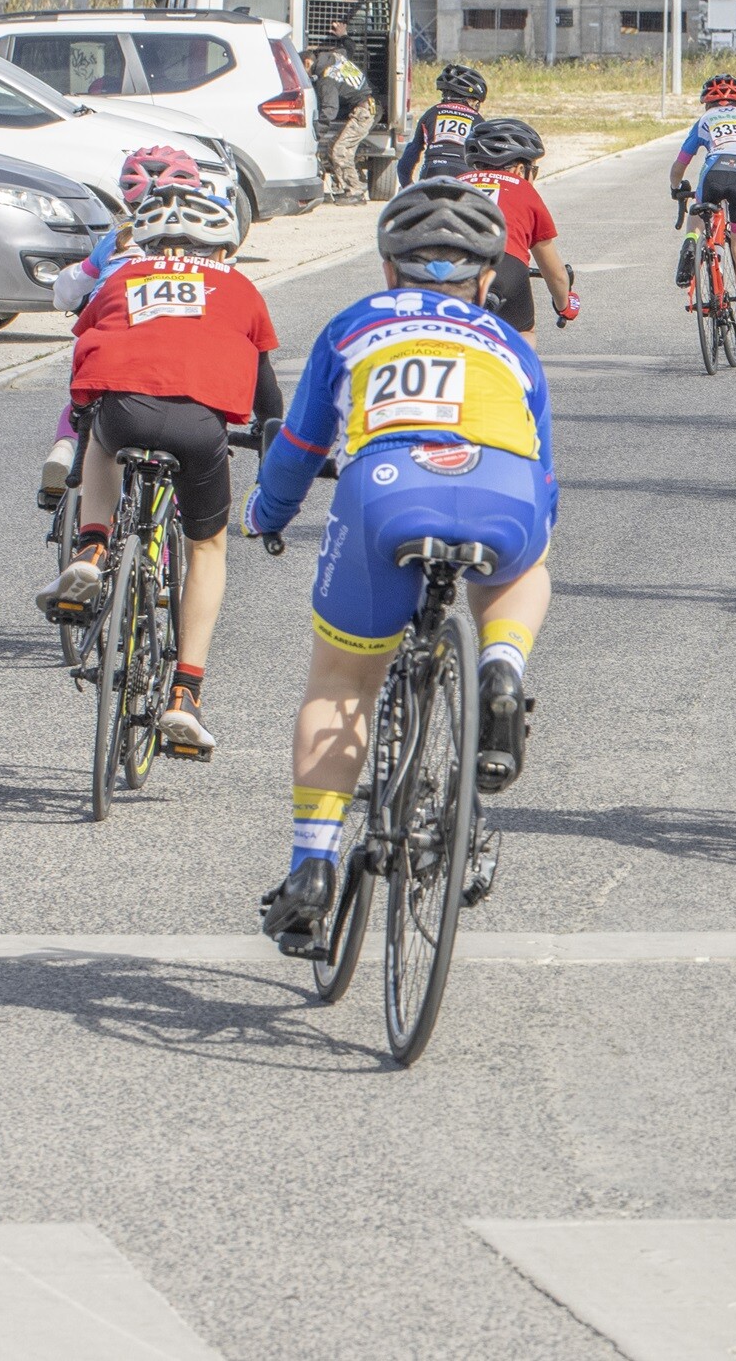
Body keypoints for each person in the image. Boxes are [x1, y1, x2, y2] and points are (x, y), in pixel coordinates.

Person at [247, 179, 556, 953]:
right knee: (526, 561)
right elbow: (545, 476)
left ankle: (312, 865)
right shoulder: (512, 345)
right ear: (488, 281)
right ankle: (503, 665)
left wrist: (264, 516)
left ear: (390, 270)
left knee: (342, 681)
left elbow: (299, 448)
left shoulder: (353, 325)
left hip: (386, 488)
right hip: (500, 486)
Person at [36, 185, 279, 758]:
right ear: (221, 249)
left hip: (125, 412)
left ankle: (92, 550)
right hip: (200, 427)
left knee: (98, 434)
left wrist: (84, 409)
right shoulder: (239, 287)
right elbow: (269, 399)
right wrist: (273, 450)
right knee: (207, 549)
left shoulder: (122, 277)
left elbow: (87, 351)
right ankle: (186, 694)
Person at [37, 147, 201, 504]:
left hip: (106, 335)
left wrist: (70, 298)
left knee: (85, 404)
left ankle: (65, 449)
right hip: (178, 347)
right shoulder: (204, 244)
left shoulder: (118, 238)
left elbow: (68, 289)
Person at [670, 74, 736, 344]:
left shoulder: (704, 121)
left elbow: (681, 162)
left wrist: (675, 187)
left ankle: (691, 243)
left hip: (713, 170)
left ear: (707, 104)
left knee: (698, 212)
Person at [459, 119, 578, 337]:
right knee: (524, 333)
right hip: (503, 267)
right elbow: (556, 273)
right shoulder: (524, 190)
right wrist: (565, 305)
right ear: (520, 168)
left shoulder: (454, 182)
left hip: (445, 266)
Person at [309, 23, 376, 204]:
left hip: (364, 112)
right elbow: (350, 48)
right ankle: (349, 186)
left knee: (339, 150)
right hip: (367, 108)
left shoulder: (326, 78)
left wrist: (315, 133)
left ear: (308, 63)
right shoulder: (336, 57)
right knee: (336, 147)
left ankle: (355, 191)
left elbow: (330, 110)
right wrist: (344, 35)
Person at [398, 64, 486, 185]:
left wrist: (408, 186)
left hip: (432, 172)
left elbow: (406, 162)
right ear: (471, 99)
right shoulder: (479, 120)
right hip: (465, 176)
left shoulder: (431, 114)